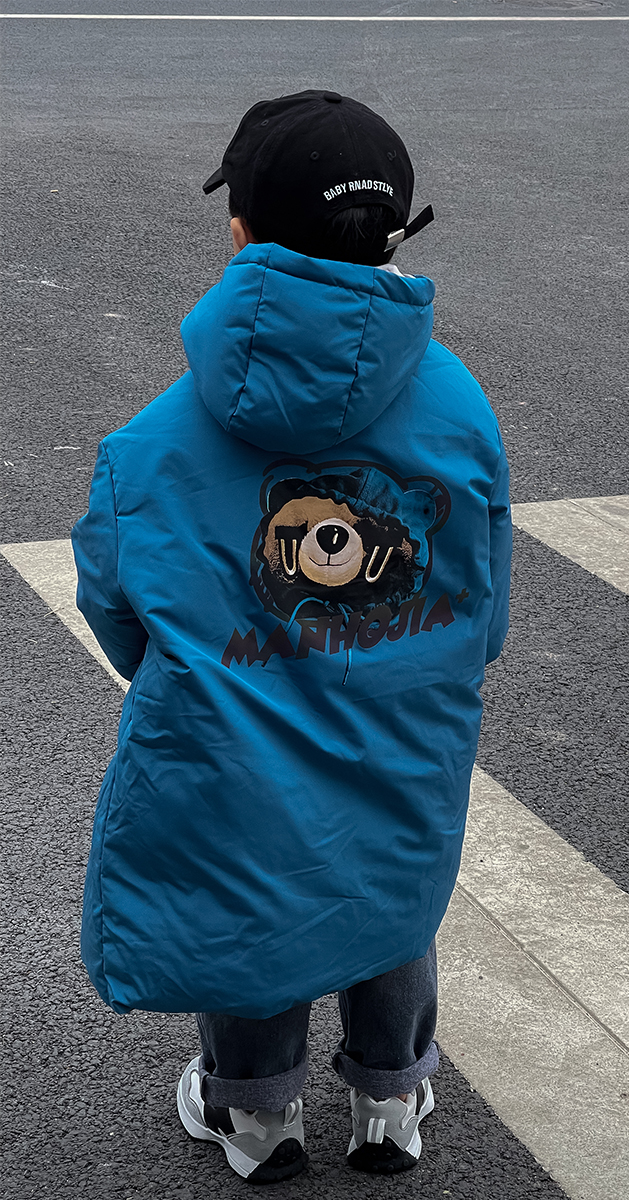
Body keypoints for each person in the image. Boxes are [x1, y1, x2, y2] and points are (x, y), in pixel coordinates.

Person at [71, 89, 512, 1184]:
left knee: (249, 905)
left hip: (234, 745)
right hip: (407, 731)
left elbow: (117, 610)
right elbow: (486, 604)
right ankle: (390, 1098)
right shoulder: (460, 408)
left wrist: (230, 676)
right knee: (392, 895)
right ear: (397, 239)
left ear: (240, 234)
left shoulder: (151, 445)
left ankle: (256, 1114)